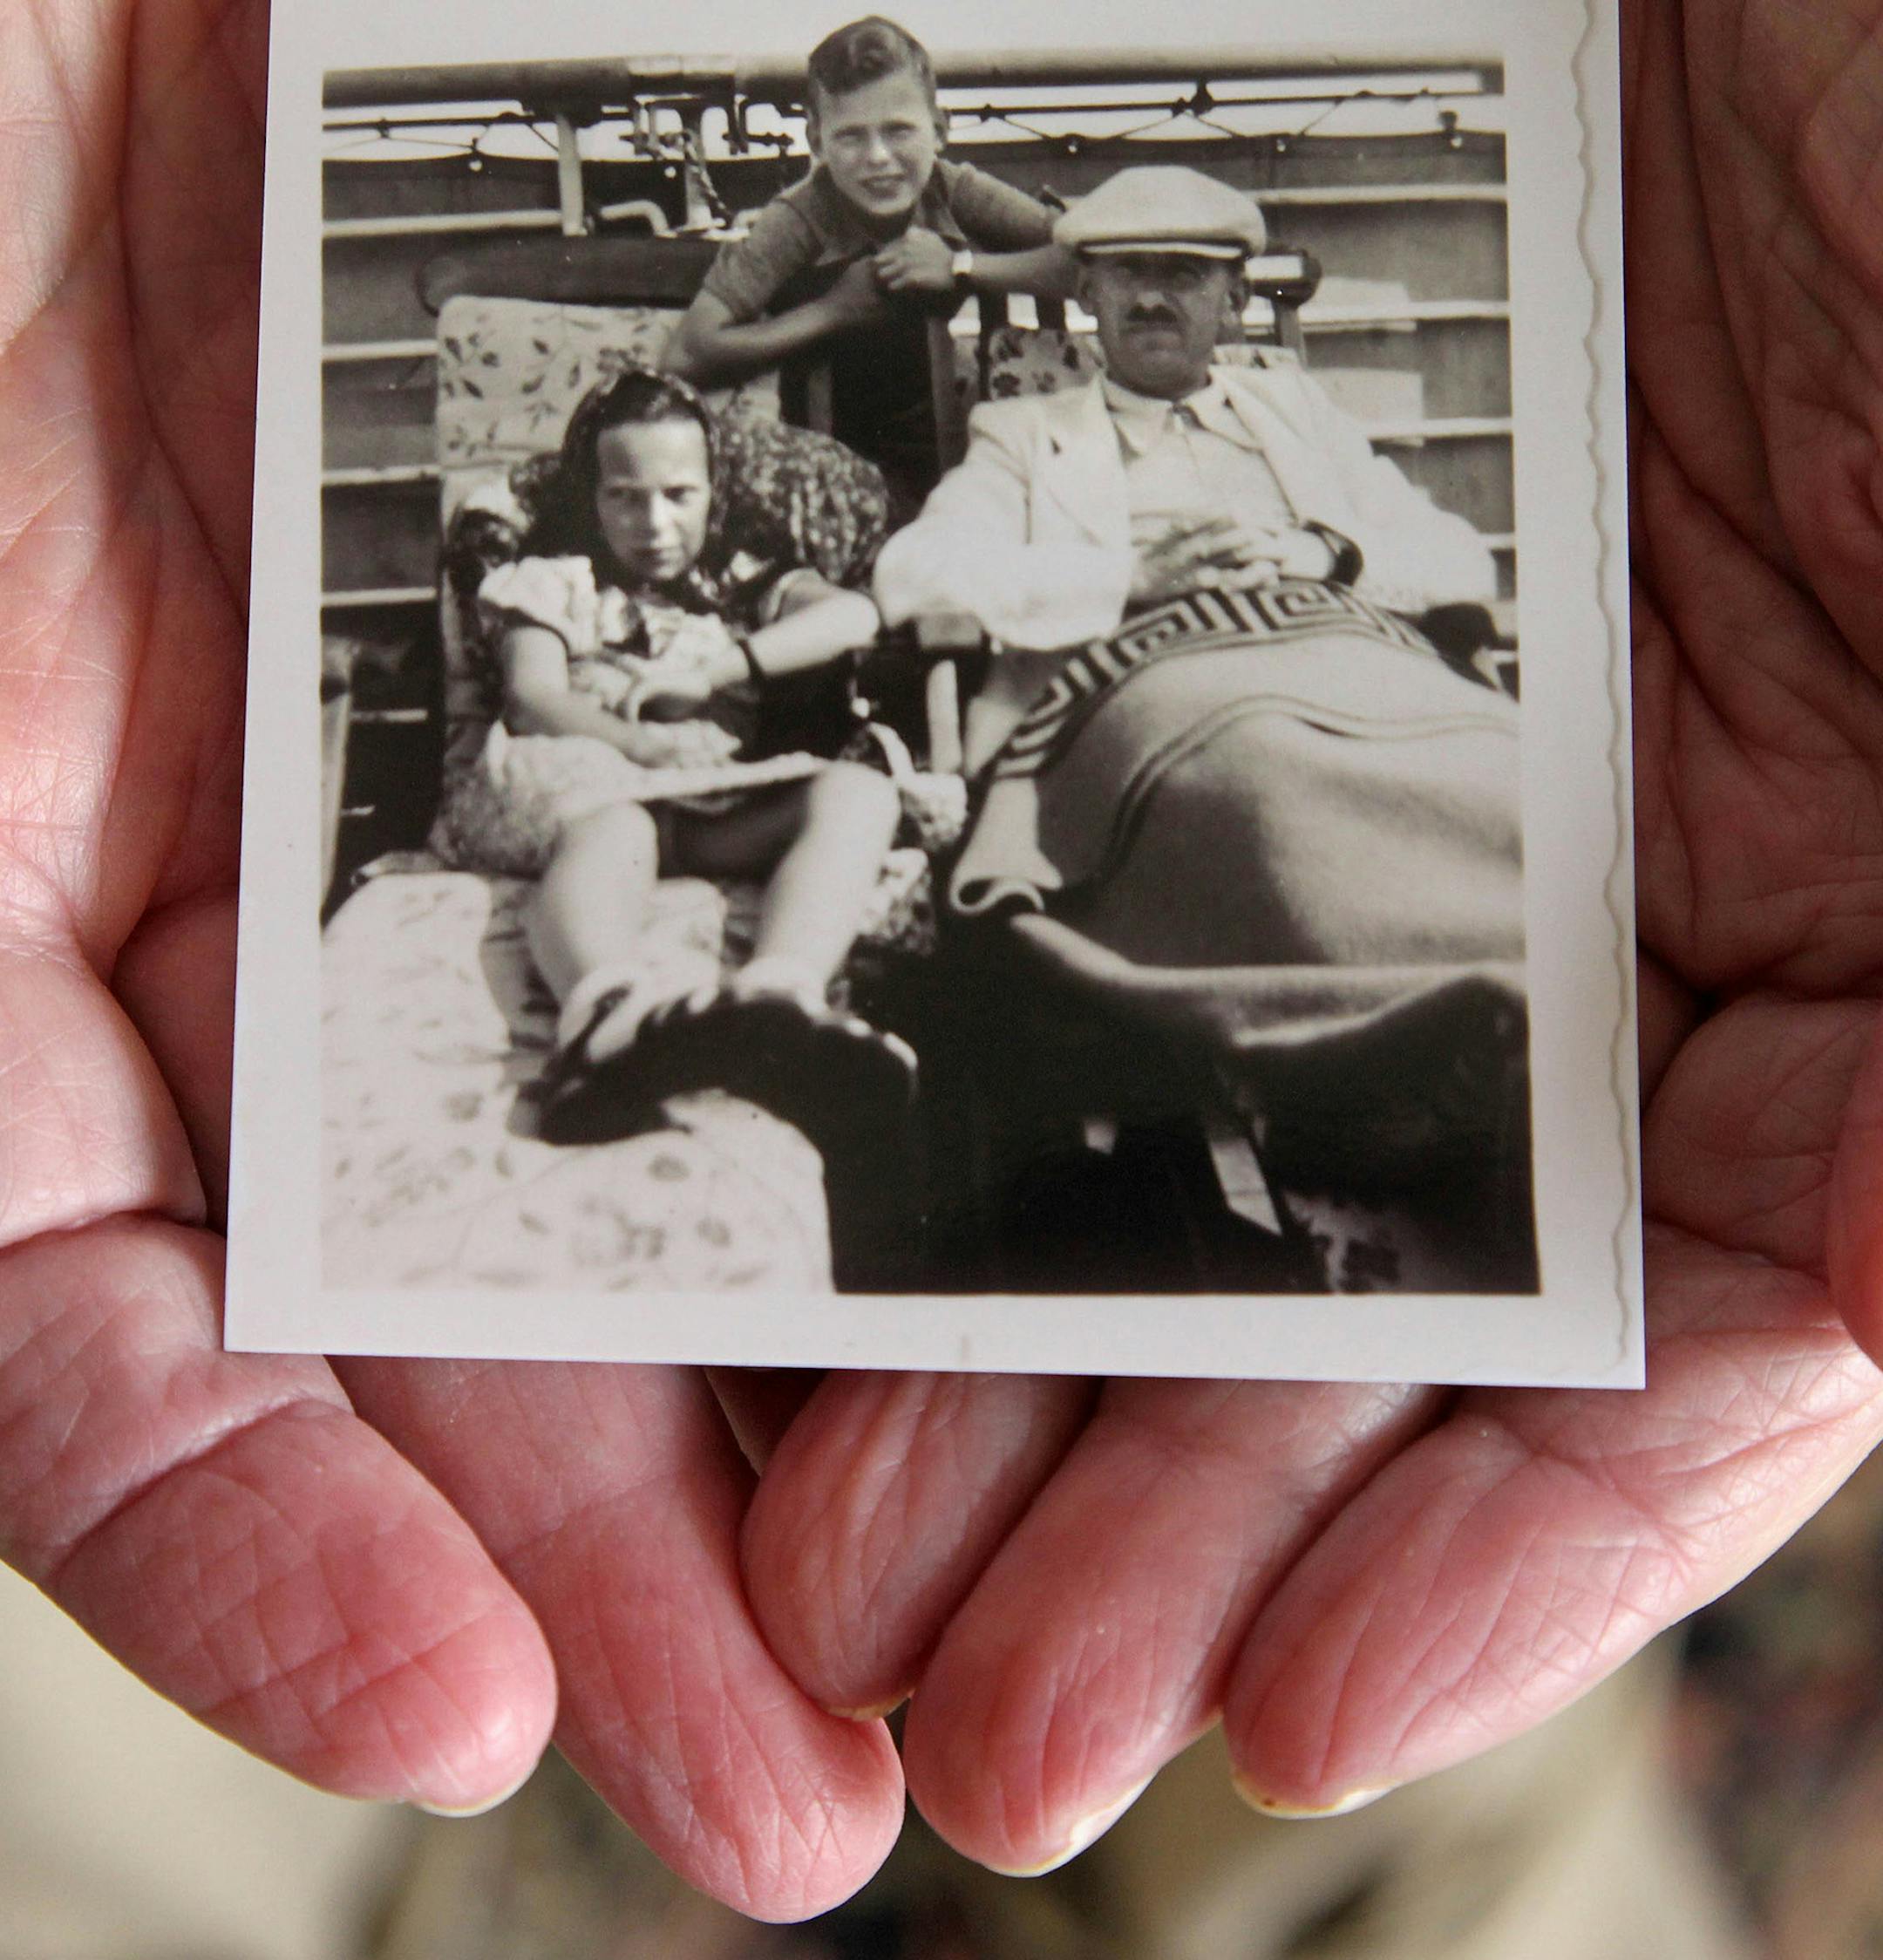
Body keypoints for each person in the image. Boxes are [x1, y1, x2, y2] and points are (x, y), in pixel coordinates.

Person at [9, 0, 1883, 1926]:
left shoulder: (1279, 422)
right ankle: (1223, 1027)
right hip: (1153, 701)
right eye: (1136, 283)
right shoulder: (1005, 436)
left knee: (1476, 800)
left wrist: (1365, 571)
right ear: (1095, 307)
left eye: (1197, 286)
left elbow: (1430, 560)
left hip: (1345, 663)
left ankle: (936, 1014)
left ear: (1237, 301)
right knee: (1267, 826)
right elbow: (938, 575)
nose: (1165, 312)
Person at [431, 367, 912, 1143]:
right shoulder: (555, 580)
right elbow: (534, 698)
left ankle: (778, 1001)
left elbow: (855, 615)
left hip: (694, 798)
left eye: (678, 495)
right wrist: (638, 743)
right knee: (616, 827)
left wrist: (715, 670)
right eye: (624, 496)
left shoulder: (737, 578)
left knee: (859, 792)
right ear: (590, 499)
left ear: (712, 494)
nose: (653, 522)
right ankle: (604, 1018)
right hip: (570, 786)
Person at [662, 15, 1074, 515]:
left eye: (899, 131)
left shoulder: (953, 188)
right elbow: (686, 353)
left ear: (939, 131)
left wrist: (962, 267)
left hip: (955, 476)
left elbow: (1090, 259)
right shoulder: (799, 218)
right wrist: (833, 311)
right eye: (851, 137)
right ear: (816, 143)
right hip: (828, 486)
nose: (878, 157)